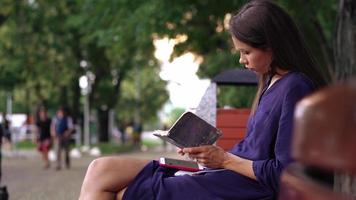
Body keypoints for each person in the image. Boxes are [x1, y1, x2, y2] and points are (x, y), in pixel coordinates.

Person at [79, 1, 326, 199]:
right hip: (226, 172)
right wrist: (208, 154)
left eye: (246, 52)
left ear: (272, 46)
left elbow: (285, 174)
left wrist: (224, 159)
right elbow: (253, 148)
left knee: (125, 194)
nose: (241, 60)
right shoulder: (270, 82)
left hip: (248, 187)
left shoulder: (296, 87)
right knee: (100, 169)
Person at [51, 106, 73, 170]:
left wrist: (67, 133)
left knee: (66, 151)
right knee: (58, 151)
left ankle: (67, 163)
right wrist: (53, 132)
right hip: (58, 136)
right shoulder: (55, 119)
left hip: (65, 137)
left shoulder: (68, 119)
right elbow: (53, 126)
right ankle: (58, 164)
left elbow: (70, 128)